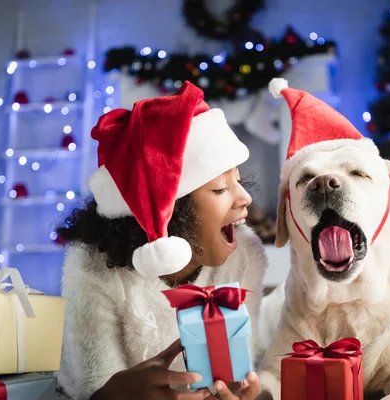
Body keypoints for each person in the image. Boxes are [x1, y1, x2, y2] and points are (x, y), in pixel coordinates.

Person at [54, 81, 267, 400]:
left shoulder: (246, 254)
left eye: (239, 181)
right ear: (171, 211)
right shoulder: (93, 268)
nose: (245, 198)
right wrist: (116, 394)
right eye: (221, 189)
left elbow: (246, 370)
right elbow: (92, 386)